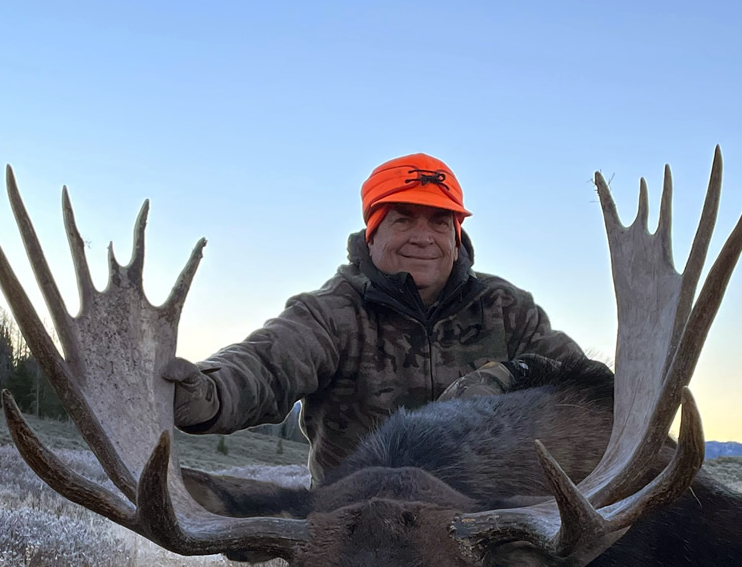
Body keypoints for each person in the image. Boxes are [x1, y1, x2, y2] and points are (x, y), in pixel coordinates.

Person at [165, 153, 589, 483]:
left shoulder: (507, 309)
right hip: (358, 530)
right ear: (373, 233)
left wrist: (509, 374)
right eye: (403, 219)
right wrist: (205, 392)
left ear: (456, 239)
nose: (423, 237)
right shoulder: (331, 312)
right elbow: (265, 365)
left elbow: (584, 384)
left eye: (440, 222)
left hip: (484, 528)